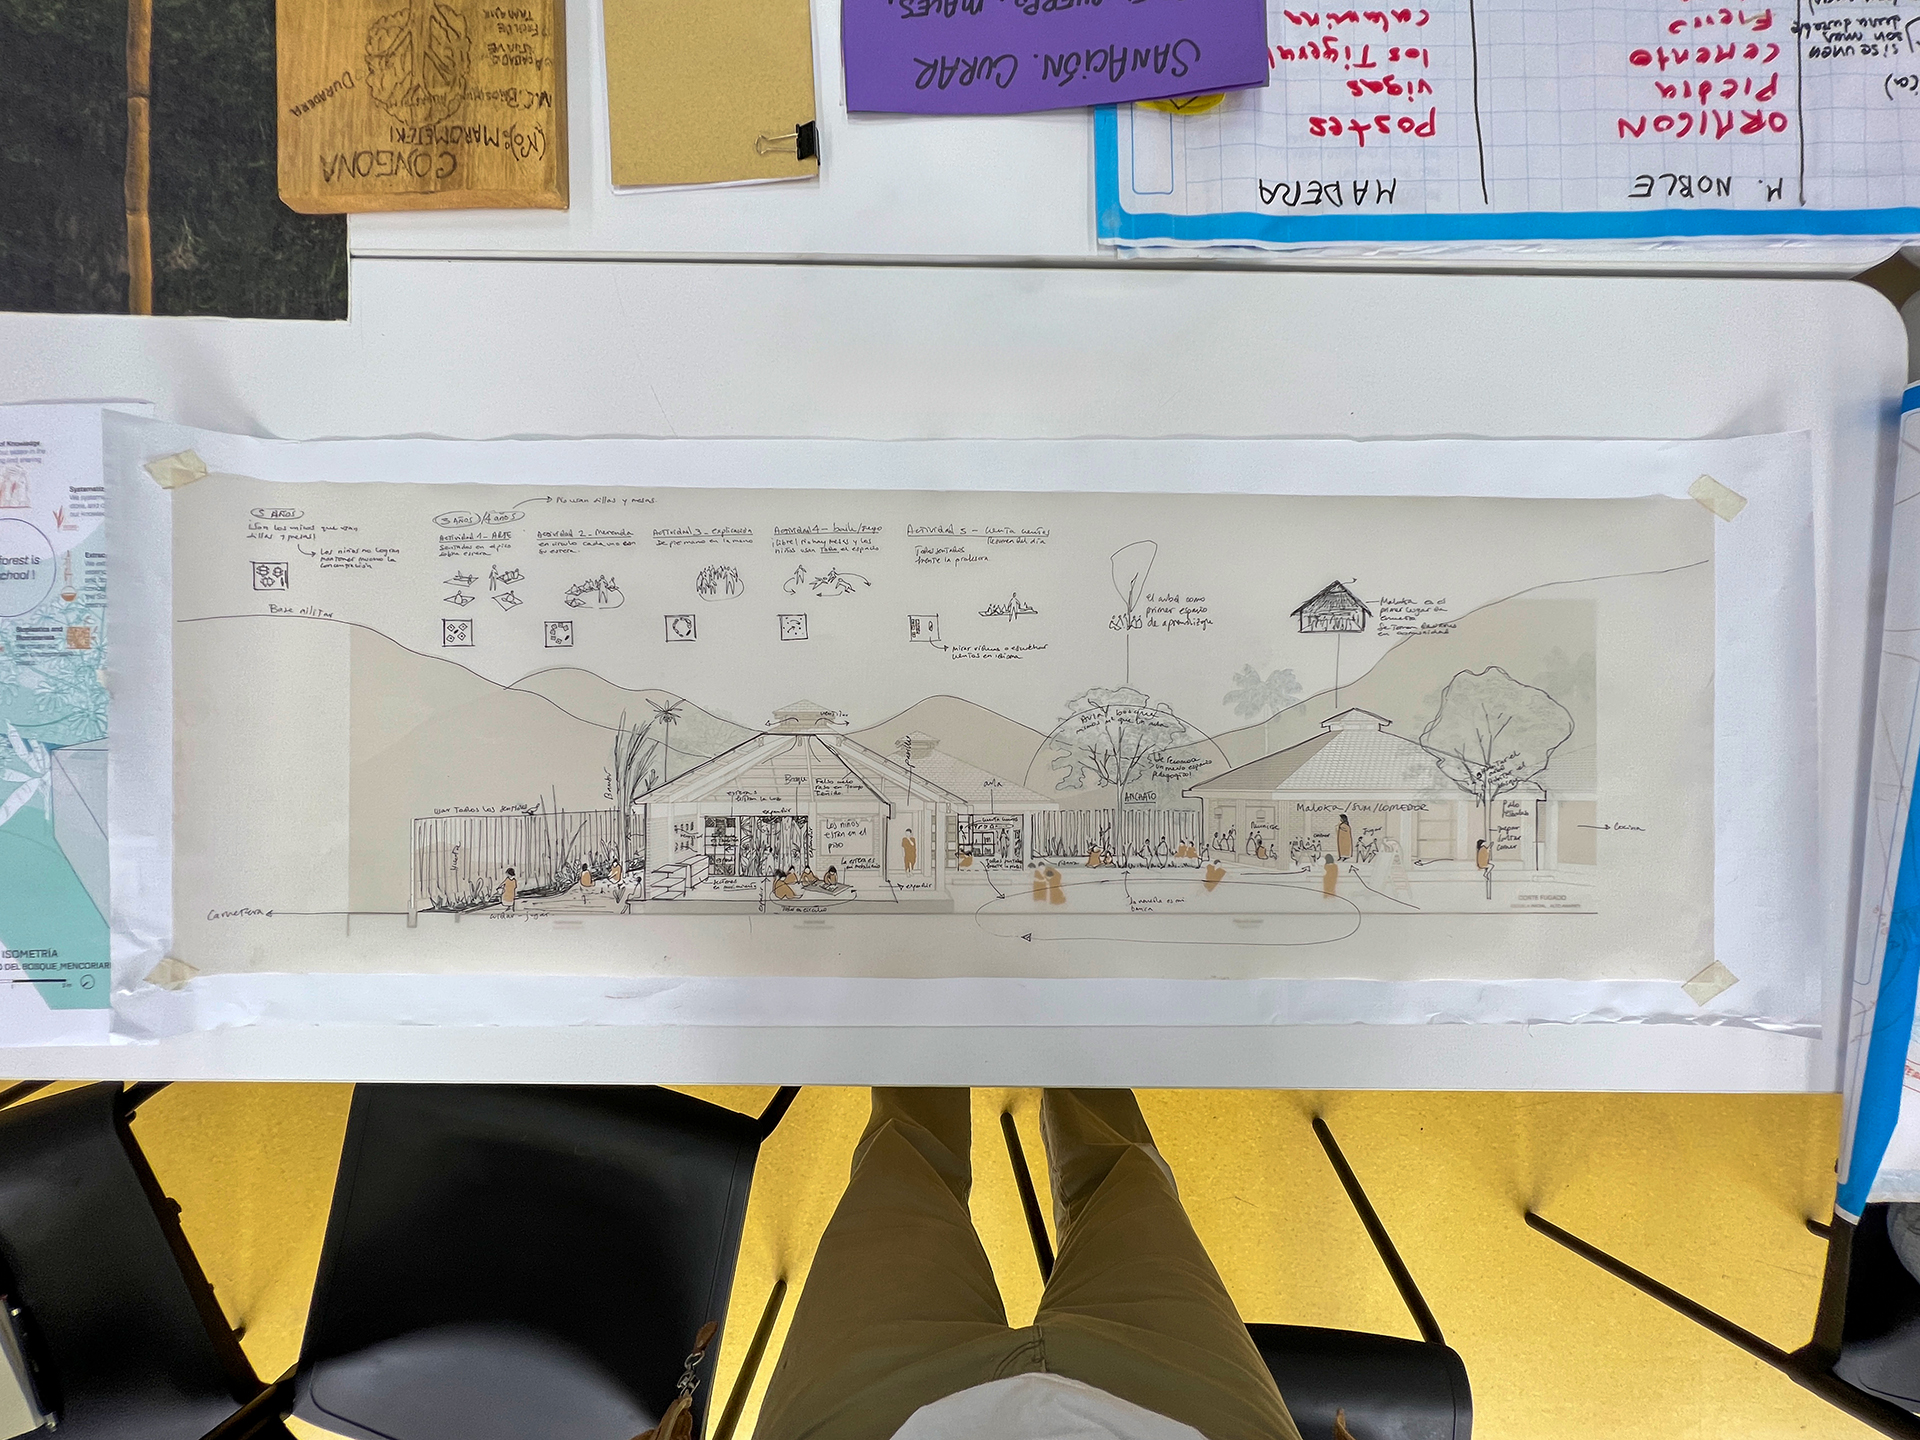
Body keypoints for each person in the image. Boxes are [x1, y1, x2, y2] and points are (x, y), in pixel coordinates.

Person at [753, 1089, 1304, 1440]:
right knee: (1124, 1170)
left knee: (902, 1158)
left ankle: (938, 968)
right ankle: (1062, 980)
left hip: (865, 1419)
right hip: (1192, 1417)